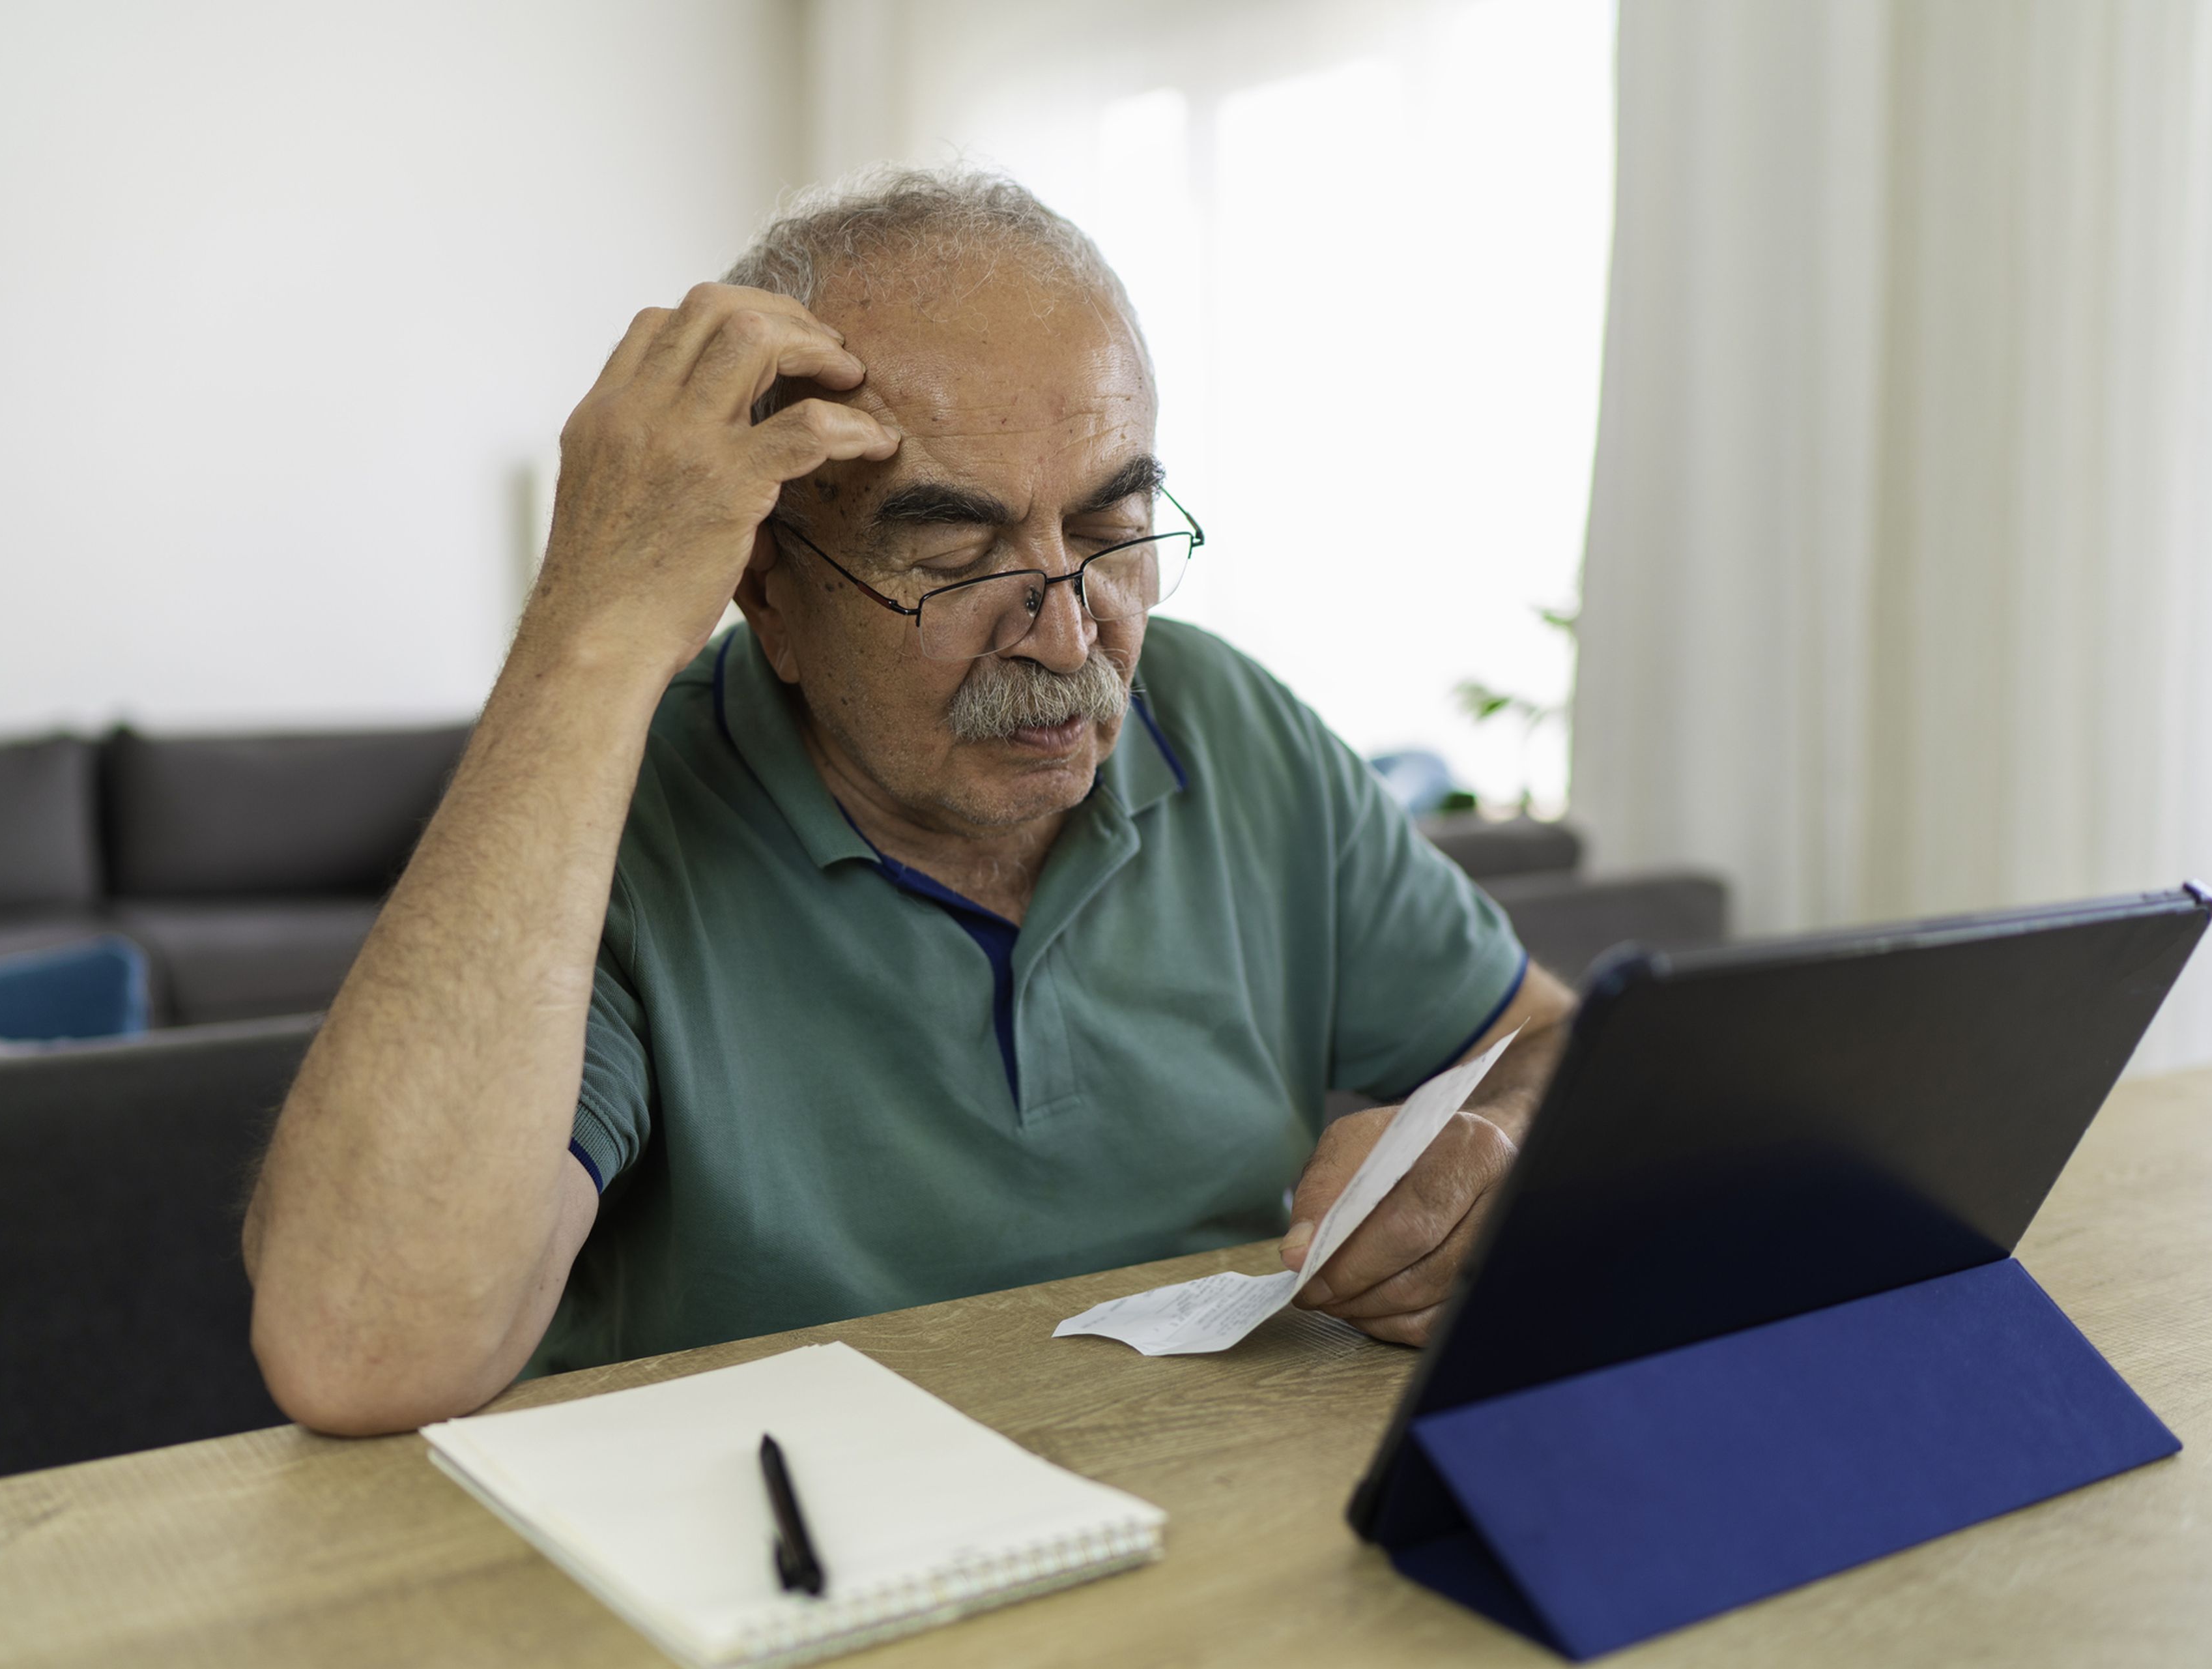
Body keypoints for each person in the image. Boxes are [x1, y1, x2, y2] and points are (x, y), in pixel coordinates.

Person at [242, 167, 1576, 1436]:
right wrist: (587, 629)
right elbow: (362, 1347)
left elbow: (1542, 1038)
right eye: (953, 558)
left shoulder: (1225, 717)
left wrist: (1494, 1147)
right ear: (767, 585)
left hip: (1213, 1507)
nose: (1069, 641)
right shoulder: (618, 813)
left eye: (1115, 533)